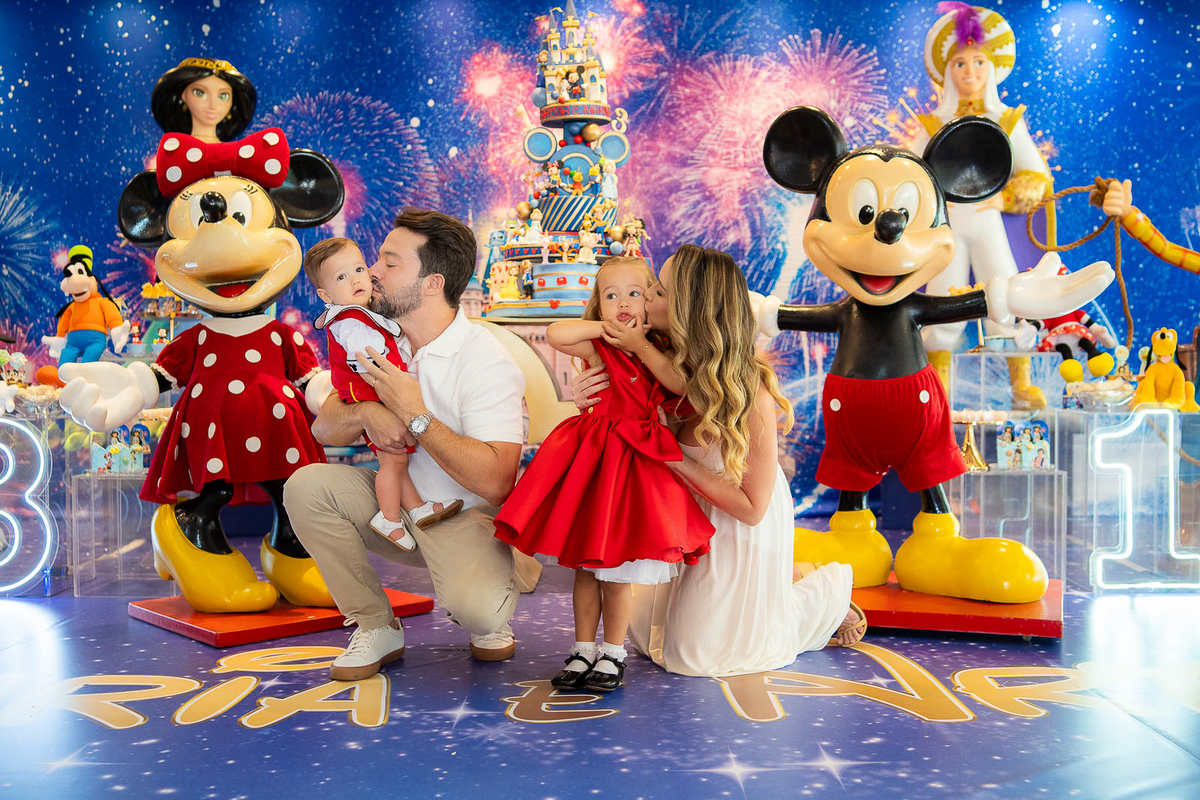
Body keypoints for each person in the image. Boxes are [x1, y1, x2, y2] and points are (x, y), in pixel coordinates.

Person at [571, 245, 865, 678]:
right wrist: (585, 401)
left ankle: (808, 595)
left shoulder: (751, 394)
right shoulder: (654, 358)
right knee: (641, 633)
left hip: (737, 524)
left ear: (690, 309)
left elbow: (751, 508)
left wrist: (673, 459)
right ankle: (782, 587)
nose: (644, 298)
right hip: (685, 520)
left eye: (658, 291)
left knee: (697, 657)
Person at [284, 209, 526, 681]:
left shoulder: (485, 360)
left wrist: (416, 414)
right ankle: (376, 624)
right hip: (392, 506)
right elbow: (325, 430)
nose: (371, 272)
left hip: (464, 516)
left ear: (432, 283)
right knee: (307, 487)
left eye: (389, 263)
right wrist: (367, 411)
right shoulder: (371, 335)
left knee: (480, 612)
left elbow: (497, 482)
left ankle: (492, 588)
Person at [494, 257, 715, 692]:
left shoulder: (663, 346)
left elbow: (677, 384)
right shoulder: (601, 345)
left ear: (652, 299)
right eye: (611, 296)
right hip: (594, 461)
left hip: (633, 465)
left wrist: (640, 343)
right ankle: (582, 648)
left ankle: (613, 652)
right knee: (583, 567)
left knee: (616, 571)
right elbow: (558, 334)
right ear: (598, 305)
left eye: (635, 293)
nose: (623, 304)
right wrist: (603, 329)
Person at [914, 3, 1052, 407]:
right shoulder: (932, 127)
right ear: (947, 71)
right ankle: (935, 395)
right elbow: (909, 176)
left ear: (991, 68)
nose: (970, 71)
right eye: (959, 63)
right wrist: (933, 206)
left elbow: (1037, 177)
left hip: (990, 221)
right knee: (941, 310)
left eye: (978, 61)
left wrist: (1002, 197)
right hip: (949, 229)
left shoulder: (1008, 121)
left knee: (1008, 299)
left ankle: (1020, 387)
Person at [304, 237, 462, 552]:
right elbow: (367, 363)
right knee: (392, 462)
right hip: (372, 393)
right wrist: (392, 397)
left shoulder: (361, 315)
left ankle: (416, 507)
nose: (356, 279)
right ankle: (389, 519)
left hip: (369, 394)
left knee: (397, 459)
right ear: (325, 294)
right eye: (341, 277)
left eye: (358, 269)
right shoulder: (352, 321)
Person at [151, 57, 257, 143]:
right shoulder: (173, 149)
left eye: (223, 96)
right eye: (200, 93)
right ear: (183, 95)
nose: (212, 105)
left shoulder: (232, 154)